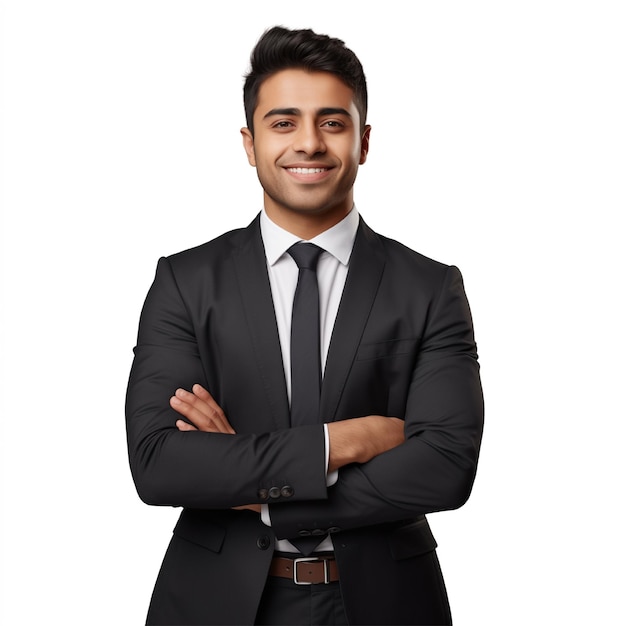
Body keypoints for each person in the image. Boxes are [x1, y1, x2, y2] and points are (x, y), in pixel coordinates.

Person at [126, 25, 484, 626]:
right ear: (250, 142)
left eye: (333, 122)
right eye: (284, 122)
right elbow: (160, 463)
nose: (309, 144)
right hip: (216, 599)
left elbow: (445, 466)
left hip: (388, 604)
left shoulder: (430, 287)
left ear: (364, 141)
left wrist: (258, 490)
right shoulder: (185, 282)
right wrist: (349, 441)